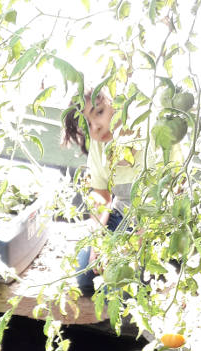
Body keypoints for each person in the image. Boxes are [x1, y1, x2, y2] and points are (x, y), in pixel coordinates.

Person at [61, 87, 155, 295]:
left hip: (155, 223)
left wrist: (128, 249)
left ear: (116, 102)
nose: (96, 126)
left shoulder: (149, 130)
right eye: (87, 123)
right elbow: (101, 197)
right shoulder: (98, 145)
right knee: (86, 277)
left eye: (99, 112)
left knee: (117, 289)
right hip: (123, 215)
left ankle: (153, 273)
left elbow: (161, 203)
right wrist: (99, 243)